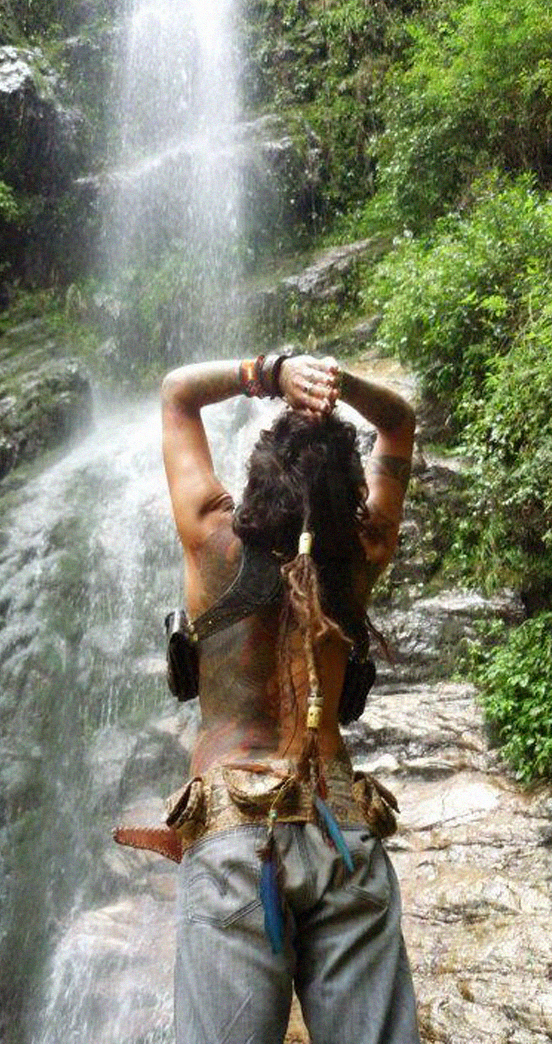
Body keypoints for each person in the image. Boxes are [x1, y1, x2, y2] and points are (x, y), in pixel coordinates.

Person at [159, 352, 420, 1044]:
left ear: (259, 473)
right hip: (343, 828)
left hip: (236, 833)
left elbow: (178, 393)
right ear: (349, 498)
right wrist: (343, 383)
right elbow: (398, 422)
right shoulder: (361, 555)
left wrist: (271, 372)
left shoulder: (213, 540)